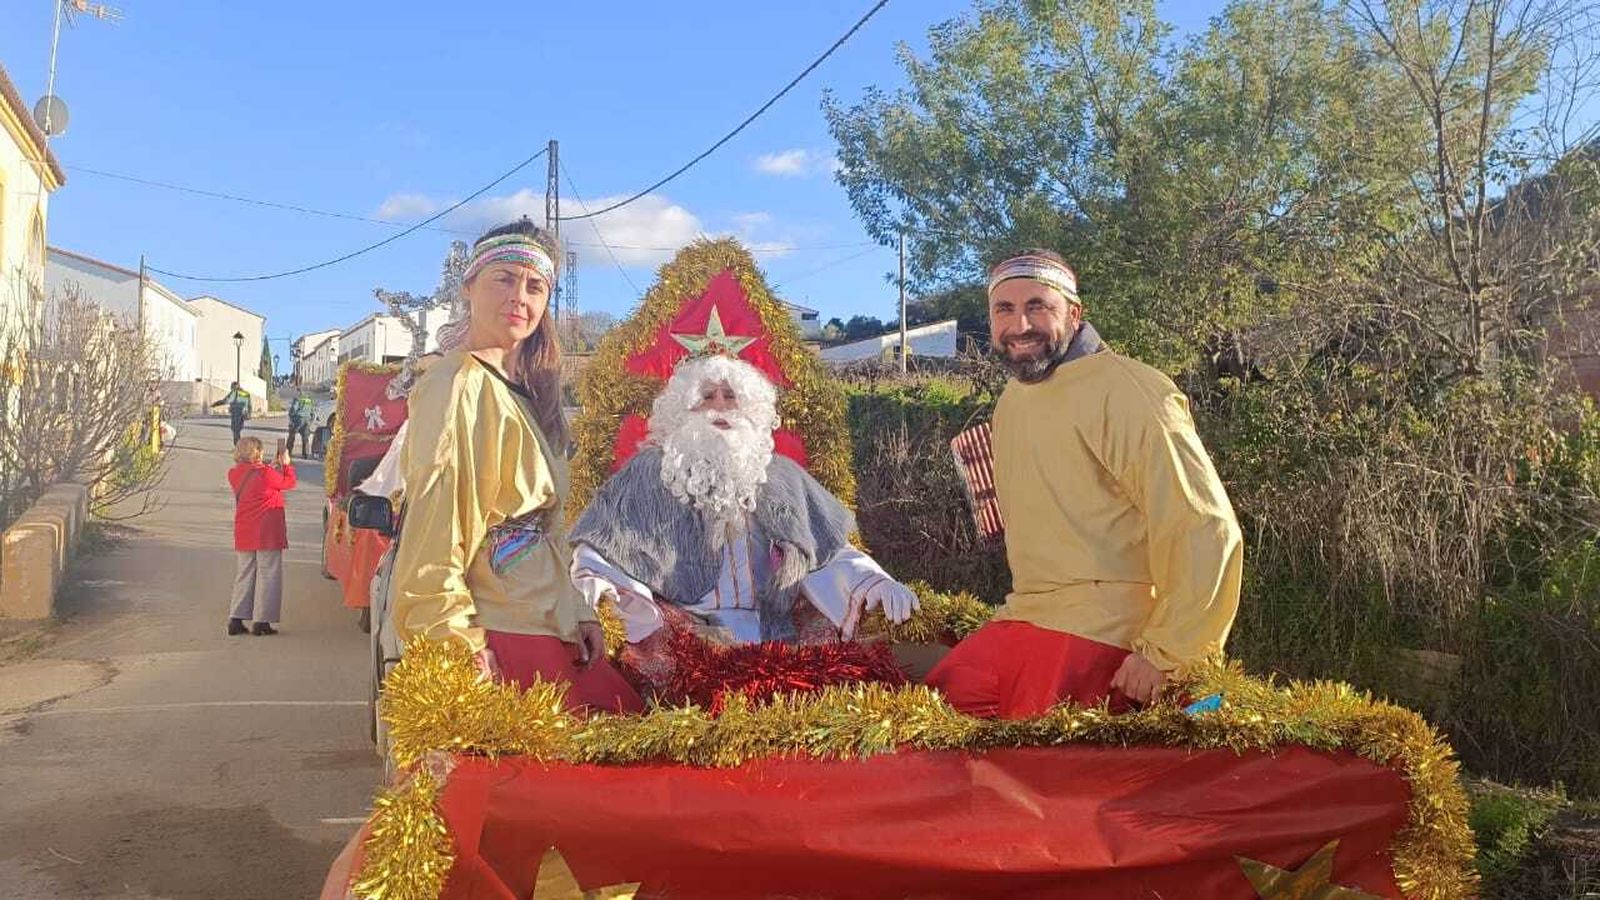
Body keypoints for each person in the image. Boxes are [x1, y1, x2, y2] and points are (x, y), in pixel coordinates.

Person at [925, 250, 1243, 718]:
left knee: (1028, 769)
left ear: (1074, 313)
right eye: (1004, 309)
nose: (1020, 325)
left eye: (1038, 305)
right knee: (932, 709)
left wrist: (1168, 653)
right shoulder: (1013, 401)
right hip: (1029, 615)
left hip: (1108, 626)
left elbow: (1204, 525)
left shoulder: (1132, 391)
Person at [387, 219, 642, 713]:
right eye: (503, 279)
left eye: (534, 286)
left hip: (550, 626)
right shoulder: (454, 385)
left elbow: (547, 530)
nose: (518, 297)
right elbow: (433, 526)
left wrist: (577, 610)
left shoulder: (525, 393)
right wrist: (456, 642)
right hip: (501, 634)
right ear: (469, 287)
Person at [568, 353, 920, 691]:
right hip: (685, 633)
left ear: (751, 411)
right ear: (682, 412)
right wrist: (594, 580)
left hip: (777, 632)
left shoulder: (784, 476)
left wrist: (875, 582)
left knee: (840, 662)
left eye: (731, 397)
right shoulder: (646, 473)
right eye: (706, 397)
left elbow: (827, 554)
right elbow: (605, 545)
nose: (720, 406)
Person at [227, 435, 297, 636]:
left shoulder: (234, 474)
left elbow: (255, 475)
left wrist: (271, 465)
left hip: (244, 531)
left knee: (244, 574)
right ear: (257, 453)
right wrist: (286, 465)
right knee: (268, 574)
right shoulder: (266, 473)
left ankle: (236, 618)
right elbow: (288, 483)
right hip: (267, 531)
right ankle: (262, 621)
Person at [287, 388, 315, 458]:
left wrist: (291, 417)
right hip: (307, 420)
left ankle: (288, 452)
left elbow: (293, 409)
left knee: (292, 435)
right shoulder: (309, 399)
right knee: (305, 438)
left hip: (298, 419)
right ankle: (306, 454)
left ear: (298, 392)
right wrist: (310, 421)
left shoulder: (298, 399)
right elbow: (312, 413)